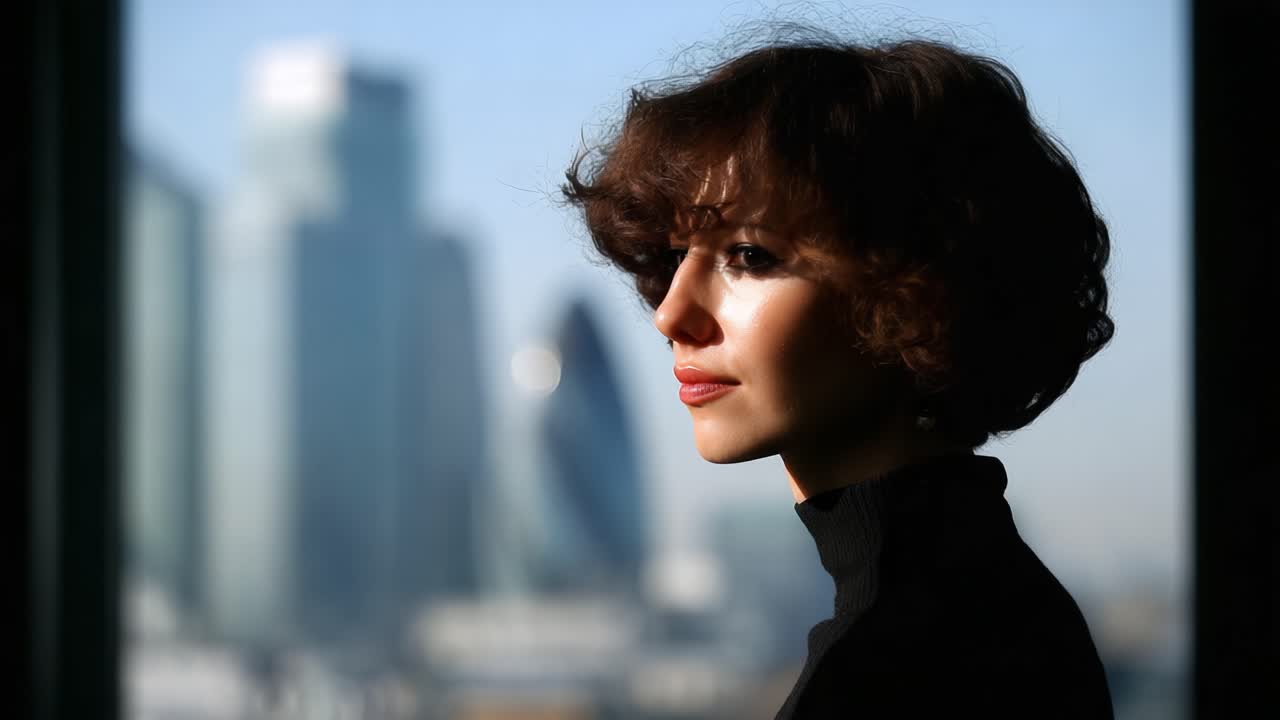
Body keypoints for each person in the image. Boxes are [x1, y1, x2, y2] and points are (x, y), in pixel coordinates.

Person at [563, 33, 1116, 719]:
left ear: (919, 289)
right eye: (678, 254)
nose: (672, 313)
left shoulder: (899, 664)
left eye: (749, 256)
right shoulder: (982, 600)